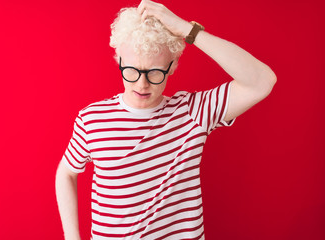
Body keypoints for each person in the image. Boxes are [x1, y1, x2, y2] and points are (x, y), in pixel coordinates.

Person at [55, 0, 277, 239]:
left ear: (172, 67)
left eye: (155, 72)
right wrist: (71, 236)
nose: (142, 84)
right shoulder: (92, 119)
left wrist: (188, 30)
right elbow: (66, 173)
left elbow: (262, 82)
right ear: (118, 60)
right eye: (131, 70)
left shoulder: (192, 112)